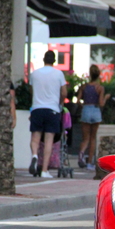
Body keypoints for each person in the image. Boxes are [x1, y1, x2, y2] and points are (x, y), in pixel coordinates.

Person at [28, 50, 67, 178]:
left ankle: (34, 155)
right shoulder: (59, 74)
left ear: (43, 59)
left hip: (37, 109)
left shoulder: (34, 74)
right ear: (54, 60)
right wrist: (59, 104)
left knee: (35, 138)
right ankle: (44, 170)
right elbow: (64, 92)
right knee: (48, 141)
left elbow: (31, 91)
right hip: (52, 110)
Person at [77, 64, 110, 170]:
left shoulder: (84, 87)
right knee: (93, 138)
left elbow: (77, 101)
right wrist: (105, 98)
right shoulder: (100, 88)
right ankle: (89, 162)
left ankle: (81, 154)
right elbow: (101, 104)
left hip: (86, 110)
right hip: (95, 111)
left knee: (85, 138)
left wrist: (84, 106)